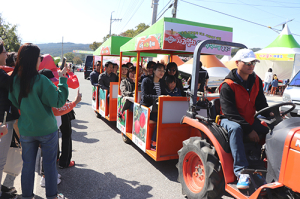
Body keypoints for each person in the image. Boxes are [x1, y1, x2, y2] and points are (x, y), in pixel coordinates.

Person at [8, 43, 68, 199]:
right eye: (39, 56)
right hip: (47, 129)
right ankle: (52, 196)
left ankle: (27, 196)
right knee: (49, 165)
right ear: (34, 59)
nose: (41, 59)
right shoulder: (41, 80)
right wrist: (62, 80)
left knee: (27, 166)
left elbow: (14, 102)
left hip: (27, 129)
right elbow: (59, 101)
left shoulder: (14, 80)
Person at [219, 49, 272, 189]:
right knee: (236, 129)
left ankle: (270, 165)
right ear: (237, 63)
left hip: (248, 118)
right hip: (228, 119)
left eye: (253, 62)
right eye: (248, 62)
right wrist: (249, 129)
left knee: (272, 128)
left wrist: (273, 115)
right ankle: (241, 171)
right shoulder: (228, 85)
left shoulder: (257, 81)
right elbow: (230, 113)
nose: (251, 65)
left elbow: (261, 104)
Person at [0, 41, 20, 199]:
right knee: (1, 159)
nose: (6, 54)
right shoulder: (1, 75)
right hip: (3, 123)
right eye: (4, 51)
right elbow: (14, 84)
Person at [141, 63, 166, 150]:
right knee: (160, 119)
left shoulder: (162, 82)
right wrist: (158, 98)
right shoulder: (146, 81)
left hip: (158, 108)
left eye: (163, 71)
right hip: (147, 108)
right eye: (159, 70)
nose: (161, 72)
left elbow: (165, 94)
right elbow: (144, 96)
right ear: (154, 71)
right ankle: (153, 142)